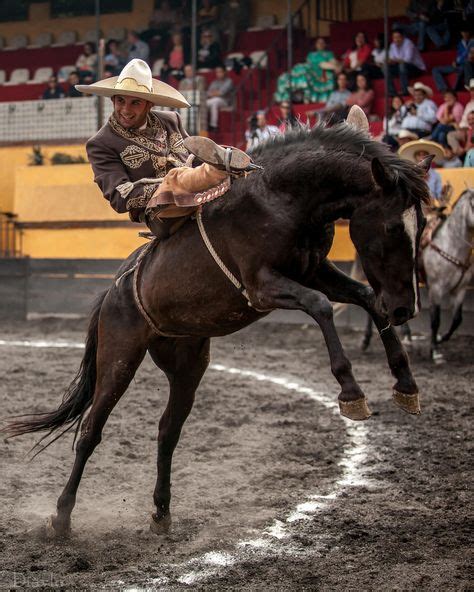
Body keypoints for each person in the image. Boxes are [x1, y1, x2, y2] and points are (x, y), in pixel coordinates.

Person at [76, 59, 255, 239]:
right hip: (162, 216)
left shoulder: (171, 120)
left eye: (135, 103)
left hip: (204, 196)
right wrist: (174, 186)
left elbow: (196, 157)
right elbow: (120, 197)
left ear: (149, 104)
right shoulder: (101, 143)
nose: (125, 110)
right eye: (120, 101)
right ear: (113, 100)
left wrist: (218, 163)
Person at [274, 37, 337, 103]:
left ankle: (306, 98)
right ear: (315, 44)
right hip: (309, 69)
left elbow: (333, 64)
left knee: (305, 74)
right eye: (318, 42)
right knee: (285, 76)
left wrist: (326, 65)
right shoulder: (311, 54)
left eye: (322, 43)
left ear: (325, 44)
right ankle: (286, 97)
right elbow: (308, 64)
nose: (320, 44)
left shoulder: (328, 54)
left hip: (319, 72)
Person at [432, 27, 473, 91]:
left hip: (466, 66)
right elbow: (459, 56)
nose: (464, 34)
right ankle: (444, 89)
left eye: (466, 32)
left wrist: (459, 60)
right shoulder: (460, 43)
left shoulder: (472, 42)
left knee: (465, 65)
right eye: (463, 32)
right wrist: (455, 61)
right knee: (435, 69)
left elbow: (469, 56)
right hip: (457, 65)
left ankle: (460, 88)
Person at [387, 29, 426, 96]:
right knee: (385, 67)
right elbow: (392, 59)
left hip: (416, 68)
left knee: (402, 65)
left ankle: (405, 90)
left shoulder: (408, 43)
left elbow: (407, 60)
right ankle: (392, 92)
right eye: (394, 37)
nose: (396, 39)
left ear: (403, 37)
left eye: (398, 37)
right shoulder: (392, 45)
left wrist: (395, 61)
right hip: (402, 69)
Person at [446, 80, 474, 154]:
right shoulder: (469, 104)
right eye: (471, 90)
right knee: (450, 135)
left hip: (471, 130)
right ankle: (459, 152)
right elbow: (464, 120)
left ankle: (464, 153)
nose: (472, 92)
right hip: (464, 129)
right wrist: (461, 127)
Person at [206, 65, 234, 131]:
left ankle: (213, 125)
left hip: (225, 101)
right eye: (217, 72)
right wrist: (215, 93)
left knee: (215, 101)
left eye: (220, 72)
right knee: (204, 103)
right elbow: (208, 93)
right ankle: (204, 125)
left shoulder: (229, 81)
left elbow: (222, 93)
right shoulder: (214, 82)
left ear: (224, 72)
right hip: (214, 100)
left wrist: (215, 93)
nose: (218, 74)